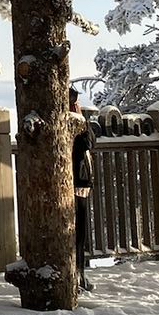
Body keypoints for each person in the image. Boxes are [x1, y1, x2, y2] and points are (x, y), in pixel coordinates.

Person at [69, 88, 96, 291]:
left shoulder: (77, 121)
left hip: (82, 182)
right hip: (76, 181)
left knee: (81, 234)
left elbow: (92, 141)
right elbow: (86, 142)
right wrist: (80, 120)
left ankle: (81, 275)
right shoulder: (69, 123)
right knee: (76, 234)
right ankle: (76, 276)